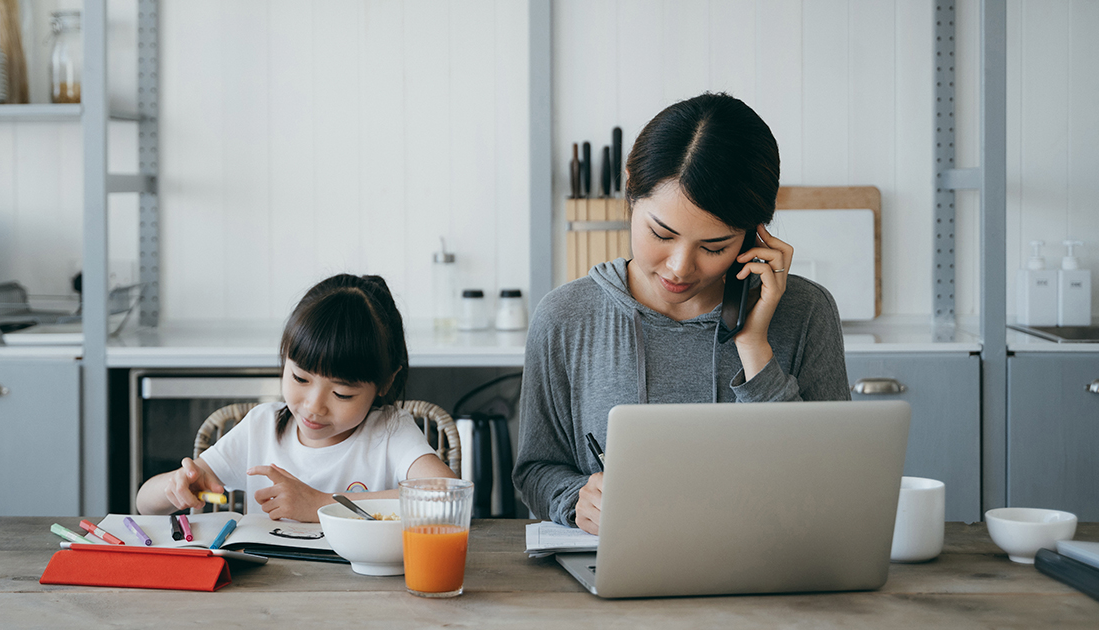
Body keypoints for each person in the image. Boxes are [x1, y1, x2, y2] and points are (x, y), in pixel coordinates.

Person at [513, 93, 851, 535]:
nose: (680, 268)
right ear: (630, 187)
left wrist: (754, 347)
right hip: (619, 578)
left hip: (772, 576)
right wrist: (577, 498)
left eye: (715, 247)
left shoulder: (806, 313)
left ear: (755, 233)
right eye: (660, 233)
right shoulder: (565, 318)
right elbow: (536, 469)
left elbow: (834, 482)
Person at [137, 274, 457, 521]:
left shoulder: (389, 432)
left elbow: (448, 497)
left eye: (342, 393)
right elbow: (144, 503)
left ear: (386, 383)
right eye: (300, 378)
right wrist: (177, 485)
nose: (314, 406)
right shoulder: (260, 429)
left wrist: (319, 503)